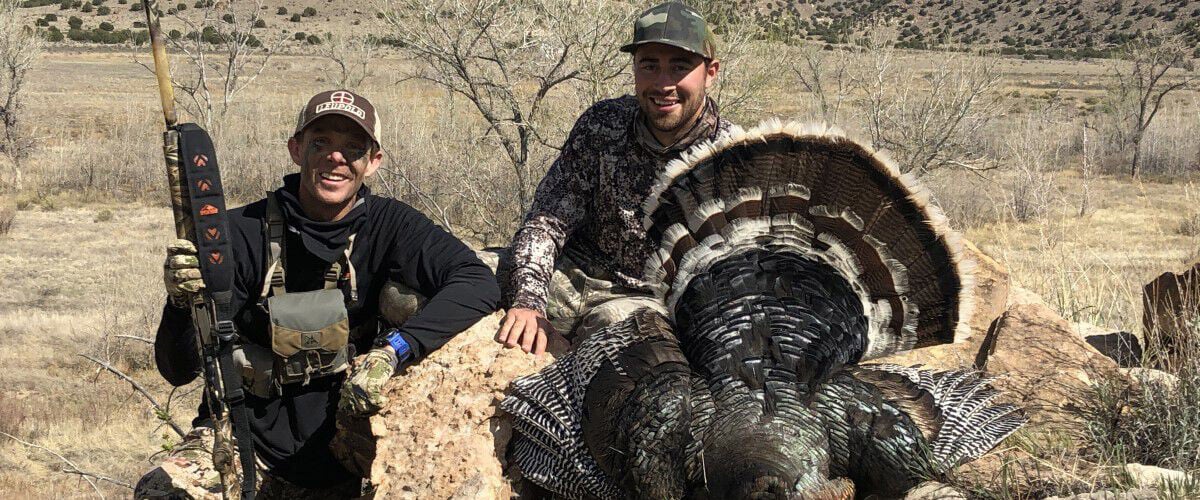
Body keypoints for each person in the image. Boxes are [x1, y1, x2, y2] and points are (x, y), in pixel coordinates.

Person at [135, 90, 499, 498]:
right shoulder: (238, 232)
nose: (335, 158)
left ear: (373, 161)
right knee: (161, 492)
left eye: (353, 148)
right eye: (320, 143)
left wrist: (395, 349)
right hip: (244, 442)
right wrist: (181, 303)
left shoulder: (392, 225)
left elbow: (477, 282)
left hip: (349, 453)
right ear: (296, 150)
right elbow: (177, 371)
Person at [495, 1, 733, 355]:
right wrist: (528, 301)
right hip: (569, 276)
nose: (663, 83)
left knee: (615, 332)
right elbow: (548, 220)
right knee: (462, 276)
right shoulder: (603, 123)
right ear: (635, 68)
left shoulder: (734, 157)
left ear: (710, 72)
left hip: (643, 305)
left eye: (679, 67)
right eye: (649, 65)